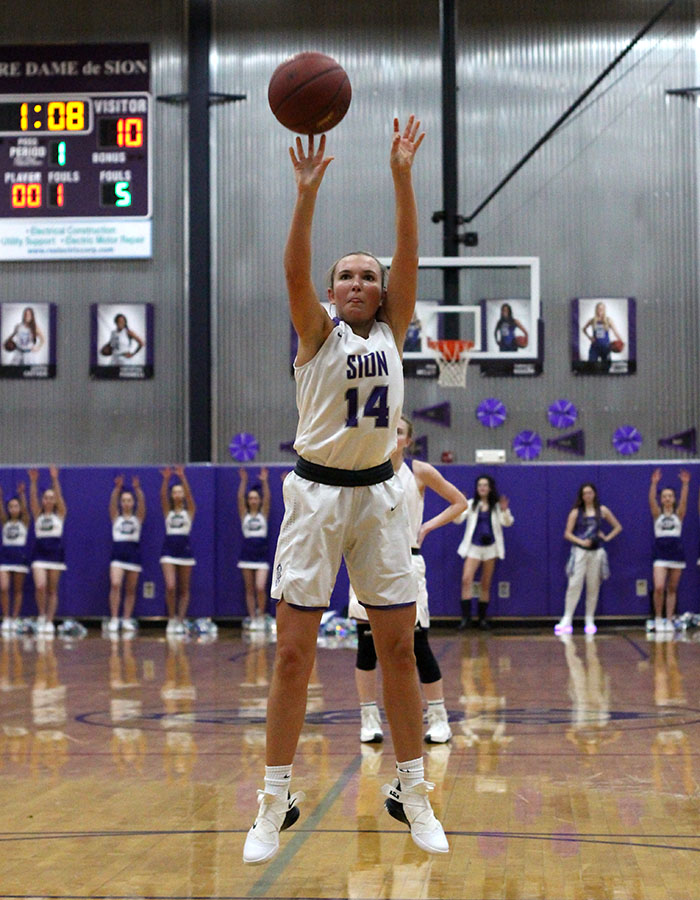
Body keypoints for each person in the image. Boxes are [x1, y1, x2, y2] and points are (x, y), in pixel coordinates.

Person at [242, 117, 449, 865]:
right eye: (347, 276)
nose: (359, 282)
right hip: (317, 497)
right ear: (331, 293)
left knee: (397, 648)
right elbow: (294, 273)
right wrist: (306, 196)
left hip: (382, 498)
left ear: (382, 291)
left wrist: (402, 177)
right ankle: (274, 798)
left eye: (370, 275)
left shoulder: (395, 330)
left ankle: (413, 788)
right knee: (293, 655)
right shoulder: (316, 334)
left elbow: (411, 254)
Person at [349, 415, 467, 746]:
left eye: (398, 431)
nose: (392, 435)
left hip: (407, 561)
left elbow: (460, 502)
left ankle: (439, 718)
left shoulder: (419, 472)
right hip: (368, 560)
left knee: (417, 644)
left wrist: (427, 527)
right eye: (388, 429)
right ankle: (368, 718)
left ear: (407, 440)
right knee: (367, 646)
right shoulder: (364, 467)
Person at [555, 482, 622, 635]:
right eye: (585, 493)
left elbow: (617, 527)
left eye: (590, 492)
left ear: (594, 494)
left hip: (596, 552)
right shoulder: (575, 512)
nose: (587, 496)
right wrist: (581, 542)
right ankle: (567, 618)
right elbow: (567, 533)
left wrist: (606, 537)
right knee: (574, 584)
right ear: (581, 496)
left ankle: (589, 619)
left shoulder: (602, 510)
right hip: (580, 551)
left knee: (593, 586)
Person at [457, 475, 514, 630]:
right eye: (480, 485)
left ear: (490, 488)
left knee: (485, 583)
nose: (482, 487)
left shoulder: (496, 507)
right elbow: (457, 520)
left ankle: (482, 620)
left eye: (485, 485)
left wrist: (505, 510)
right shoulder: (470, 505)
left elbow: (507, 523)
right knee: (466, 579)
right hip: (473, 547)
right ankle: (466, 619)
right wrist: (458, 505)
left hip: (491, 548)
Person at [28, 466, 67, 636]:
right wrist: (34, 482)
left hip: (55, 553)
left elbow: (59, 496)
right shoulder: (38, 514)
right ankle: (41, 615)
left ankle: (49, 621)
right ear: (43, 500)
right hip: (39, 552)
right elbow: (32, 500)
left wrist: (55, 479)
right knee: (40, 585)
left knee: (52, 589)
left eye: (52, 498)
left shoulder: (60, 514)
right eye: (46, 498)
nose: (49, 500)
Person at [649, 468, 689, 633]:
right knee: (659, 587)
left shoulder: (679, 514)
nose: (667, 499)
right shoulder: (657, 514)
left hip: (676, 552)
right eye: (664, 496)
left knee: (672, 588)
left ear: (673, 499)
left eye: (670, 496)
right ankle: (658, 618)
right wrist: (654, 483)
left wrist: (685, 484)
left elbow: (684, 502)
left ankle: (669, 619)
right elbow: (651, 500)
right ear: (662, 499)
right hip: (660, 553)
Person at [159, 466, 196, 635]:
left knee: (184, 588)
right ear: (172, 496)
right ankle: (171, 619)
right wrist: (166, 480)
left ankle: (181, 620)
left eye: (180, 492)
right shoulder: (168, 512)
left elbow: (190, 497)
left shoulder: (189, 512)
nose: (178, 495)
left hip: (185, 550)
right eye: (175, 492)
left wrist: (183, 478)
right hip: (168, 550)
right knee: (171, 586)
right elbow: (162, 497)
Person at [107, 474, 146, 634]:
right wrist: (116, 490)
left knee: (130, 589)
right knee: (115, 584)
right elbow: (111, 505)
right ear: (121, 503)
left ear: (133, 502)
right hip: (118, 554)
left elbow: (143, 505)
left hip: (133, 554)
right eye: (124, 501)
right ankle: (115, 618)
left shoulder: (138, 518)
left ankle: (127, 618)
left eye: (129, 500)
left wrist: (138, 490)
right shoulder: (116, 518)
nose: (126, 503)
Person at [237, 467, 271, 630]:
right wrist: (243, 481)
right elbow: (239, 499)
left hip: (261, 555)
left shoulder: (263, 515)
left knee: (260, 587)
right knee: (249, 589)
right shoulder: (245, 515)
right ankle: (252, 618)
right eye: (250, 498)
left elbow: (268, 499)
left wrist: (264, 482)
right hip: (247, 555)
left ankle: (261, 616)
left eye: (256, 498)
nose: (253, 500)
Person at [0, 481, 30, 634]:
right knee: (4, 587)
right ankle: (6, 617)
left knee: (18, 590)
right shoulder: (5, 521)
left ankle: (15, 617)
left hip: (19, 557)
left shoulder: (24, 522)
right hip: (5, 557)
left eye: (15, 506)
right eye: (10, 506)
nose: (13, 509)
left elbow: (25, 510)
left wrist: (22, 494)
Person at [582, 301, 623, 369]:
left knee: (606, 367)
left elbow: (616, 332)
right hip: (595, 347)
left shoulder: (608, 320)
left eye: (602, 309)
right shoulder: (592, 320)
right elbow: (584, 329)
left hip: (606, 347)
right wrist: (589, 337)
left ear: (604, 310)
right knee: (591, 366)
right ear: (596, 309)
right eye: (598, 308)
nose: (600, 310)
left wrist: (621, 342)